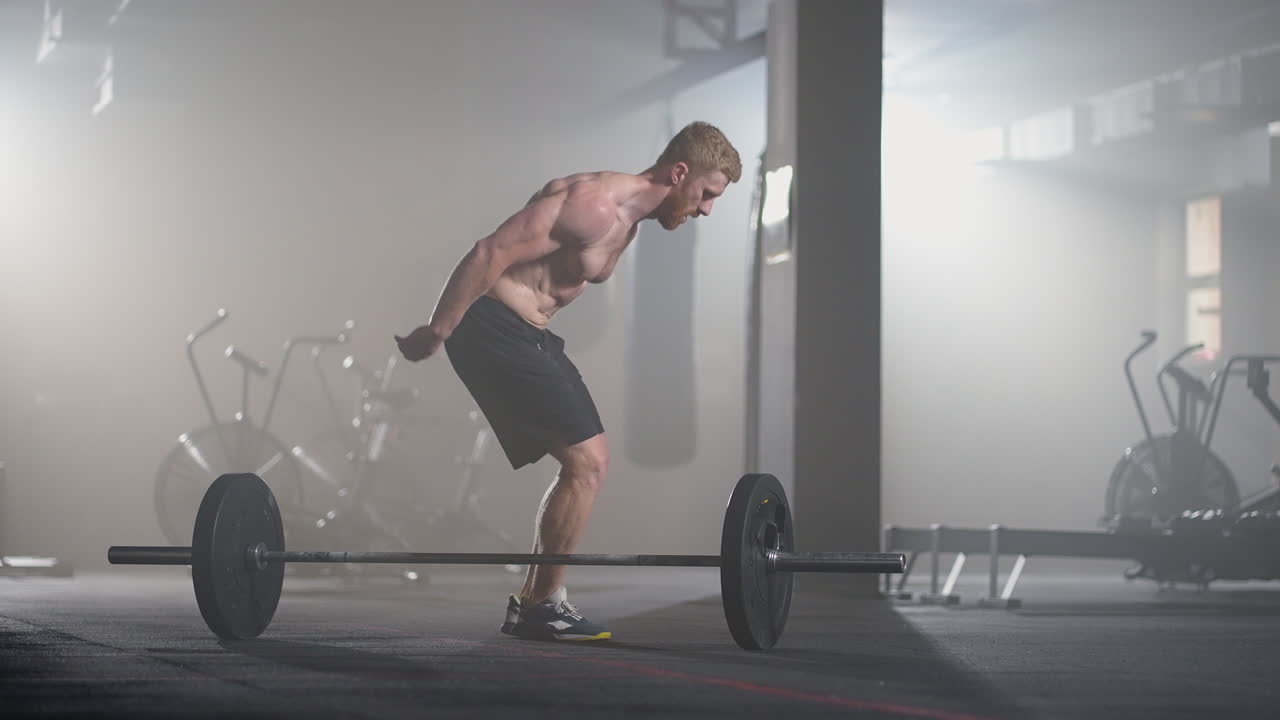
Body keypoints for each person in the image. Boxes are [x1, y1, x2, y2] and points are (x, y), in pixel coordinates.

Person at [394, 121, 741, 641]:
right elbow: (489, 251)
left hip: (523, 334)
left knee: (587, 463)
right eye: (708, 195)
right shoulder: (595, 204)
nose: (707, 210)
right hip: (494, 325)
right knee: (588, 462)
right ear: (681, 171)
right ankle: (543, 606)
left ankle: (533, 603)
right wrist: (438, 329)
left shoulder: (632, 220)